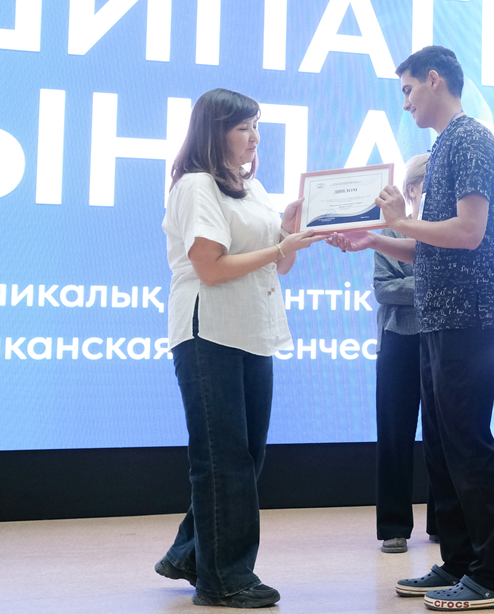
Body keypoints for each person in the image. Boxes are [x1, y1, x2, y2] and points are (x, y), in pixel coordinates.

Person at [328, 45, 494, 611]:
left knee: (467, 444)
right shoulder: (444, 146)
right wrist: (375, 238)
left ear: (435, 80)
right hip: (439, 317)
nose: (405, 102)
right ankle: (458, 562)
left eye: (408, 89)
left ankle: (493, 575)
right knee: (442, 447)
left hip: (469, 315)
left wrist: (399, 221)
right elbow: (433, 246)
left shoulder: (471, 138)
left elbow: (469, 232)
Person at [155, 88, 326, 608]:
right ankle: (224, 579)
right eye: (243, 127)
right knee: (223, 459)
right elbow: (209, 267)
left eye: (256, 126)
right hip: (209, 332)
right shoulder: (196, 185)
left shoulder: (252, 188)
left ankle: (191, 554)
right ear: (215, 133)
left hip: (253, 330)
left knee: (245, 458)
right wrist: (278, 247)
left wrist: (288, 232)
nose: (254, 137)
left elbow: (281, 263)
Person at [374, 152, 438, 553]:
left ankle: (442, 522)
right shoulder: (389, 233)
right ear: (412, 190)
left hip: (440, 339)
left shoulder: (448, 231)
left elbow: (404, 287)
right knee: (395, 433)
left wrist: (418, 285)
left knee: (440, 435)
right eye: (431, 184)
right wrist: (435, 286)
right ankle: (393, 526)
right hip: (398, 339)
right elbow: (385, 288)